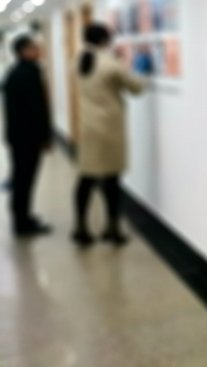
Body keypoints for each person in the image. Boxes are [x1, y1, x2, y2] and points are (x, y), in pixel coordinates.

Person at [72, 24, 145, 247]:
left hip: (88, 127)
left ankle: (81, 228)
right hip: (110, 129)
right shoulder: (111, 64)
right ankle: (112, 228)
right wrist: (134, 67)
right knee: (112, 180)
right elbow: (136, 88)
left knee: (86, 178)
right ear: (105, 40)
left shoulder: (78, 61)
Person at [3, 36, 52, 236]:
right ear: (22, 51)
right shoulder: (26, 74)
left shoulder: (20, 72)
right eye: (33, 47)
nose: (38, 50)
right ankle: (21, 223)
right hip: (26, 138)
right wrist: (44, 137)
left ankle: (23, 217)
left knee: (23, 178)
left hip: (20, 136)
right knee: (24, 179)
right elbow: (36, 110)